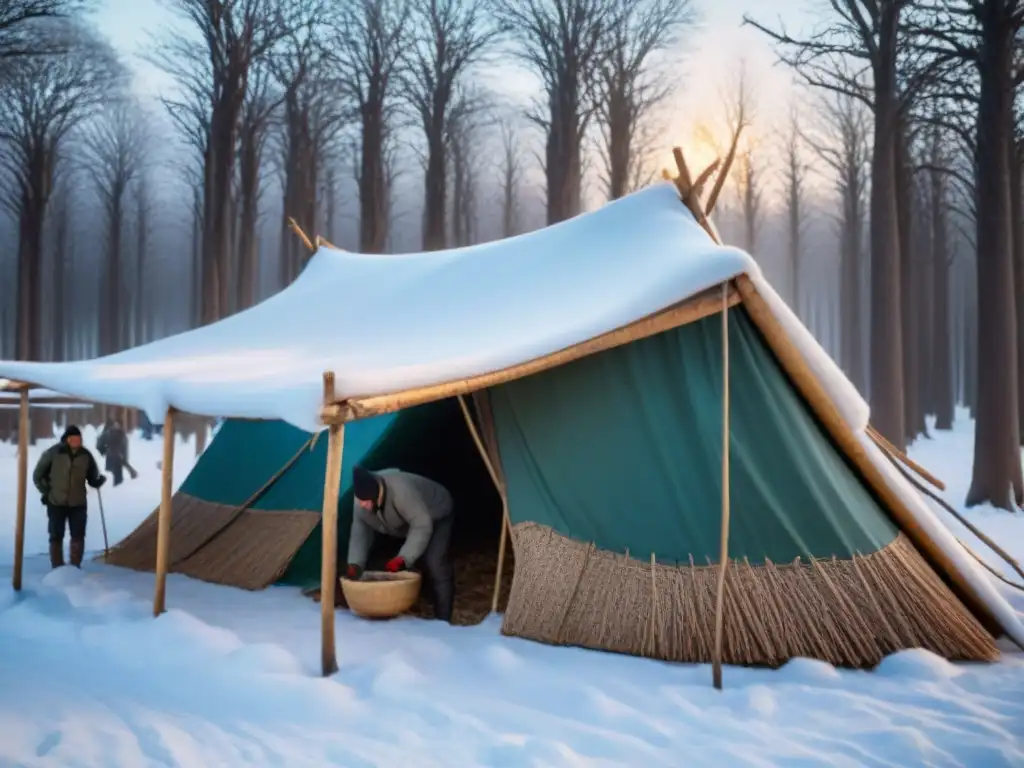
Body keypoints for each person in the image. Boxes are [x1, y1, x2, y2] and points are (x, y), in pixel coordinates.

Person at [344, 466, 456, 623]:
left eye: (366, 501)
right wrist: (355, 564)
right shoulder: (361, 501)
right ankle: (422, 600)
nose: (362, 505)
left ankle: (444, 619)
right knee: (414, 559)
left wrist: (403, 558)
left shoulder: (401, 491)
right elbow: (360, 532)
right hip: (406, 523)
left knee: (434, 561)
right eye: (360, 501)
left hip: (435, 513)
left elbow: (421, 525)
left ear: (377, 494)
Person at [33, 425, 106, 568]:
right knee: (56, 535)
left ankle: (75, 567)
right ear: (66, 439)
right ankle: (57, 566)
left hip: (78, 503)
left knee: (78, 535)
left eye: (79, 439)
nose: (77, 441)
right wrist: (46, 492)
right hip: (56, 501)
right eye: (73, 438)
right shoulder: (53, 453)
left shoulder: (86, 455)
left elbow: (92, 476)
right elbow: (38, 475)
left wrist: (97, 481)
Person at [97, 418, 137, 486]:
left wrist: (104, 451)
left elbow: (100, 444)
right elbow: (100, 443)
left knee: (119, 464)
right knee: (120, 464)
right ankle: (131, 474)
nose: (116, 426)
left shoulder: (114, 432)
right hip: (116, 452)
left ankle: (130, 475)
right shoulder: (110, 432)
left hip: (116, 452)